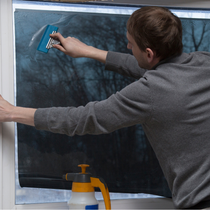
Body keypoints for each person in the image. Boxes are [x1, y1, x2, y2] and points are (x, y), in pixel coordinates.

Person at [0, 6, 210, 209]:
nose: (128, 47)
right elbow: (156, 70)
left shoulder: (150, 91)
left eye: (131, 43)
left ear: (148, 53)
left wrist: (11, 112)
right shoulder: (203, 62)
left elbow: (82, 119)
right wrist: (89, 51)